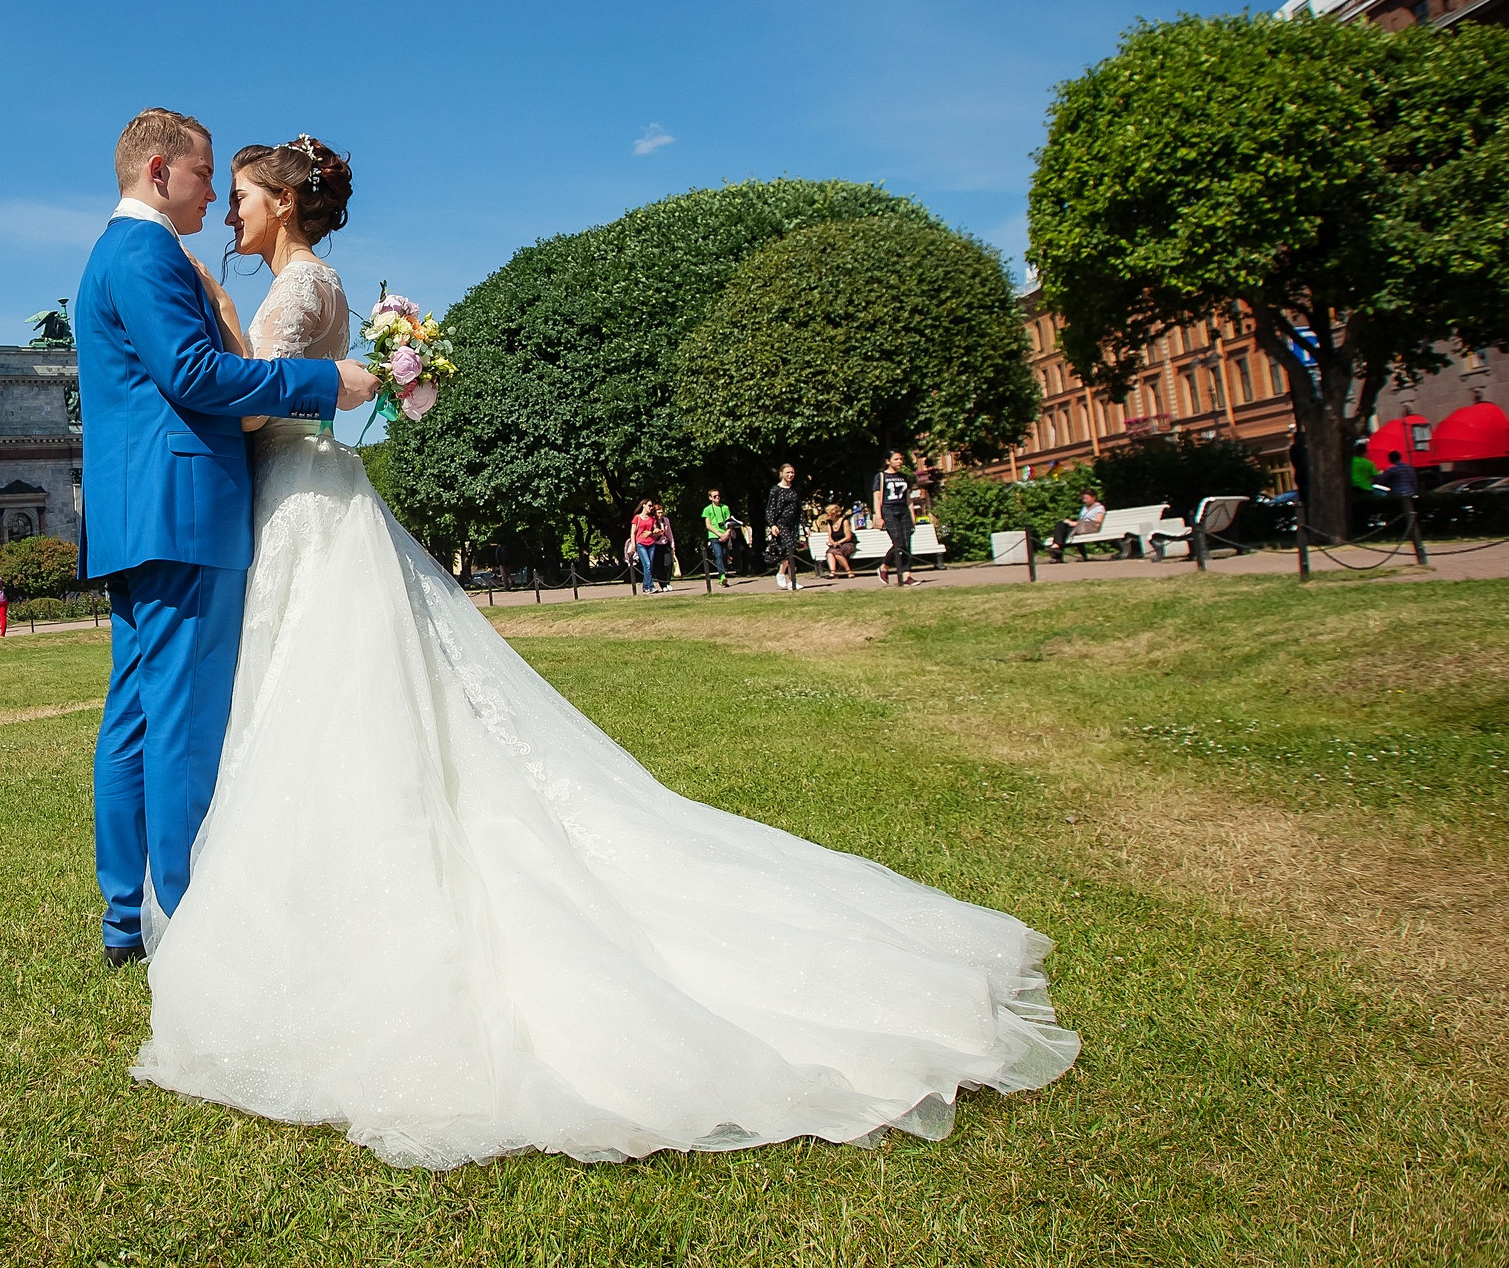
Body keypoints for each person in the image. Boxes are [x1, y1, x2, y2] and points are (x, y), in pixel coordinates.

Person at [131, 143, 1077, 1169]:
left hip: (303, 496)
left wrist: (266, 353)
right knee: (324, 696)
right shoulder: (293, 282)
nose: (227, 215)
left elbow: (262, 400)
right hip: (303, 496)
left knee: (326, 691)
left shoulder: (301, 282)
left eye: (240, 199)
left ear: (280, 204)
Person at [76, 109, 375, 971]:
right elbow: (198, 377)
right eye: (206, 175)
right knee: (181, 720)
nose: (214, 190)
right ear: (161, 171)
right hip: (184, 509)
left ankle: (126, 913)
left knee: (132, 715)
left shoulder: (119, 253)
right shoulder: (146, 252)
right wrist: (329, 380)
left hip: (140, 514)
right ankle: (186, 912)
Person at [873, 452, 919, 586]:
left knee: (907, 542)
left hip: (903, 510)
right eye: (896, 459)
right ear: (888, 461)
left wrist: (912, 515)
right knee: (898, 542)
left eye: (901, 459)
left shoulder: (904, 477)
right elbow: (877, 497)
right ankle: (884, 566)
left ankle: (907, 575)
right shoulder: (881, 477)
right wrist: (879, 516)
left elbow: (908, 498)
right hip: (889, 510)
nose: (899, 461)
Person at [765, 463, 806, 592]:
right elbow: (770, 509)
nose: (790, 475)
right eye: (787, 472)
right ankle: (782, 574)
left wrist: (805, 525)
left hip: (793, 525)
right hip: (780, 524)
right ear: (781, 474)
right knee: (789, 549)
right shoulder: (775, 490)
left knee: (792, 551)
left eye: (792, 472)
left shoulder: (795, 489)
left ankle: (791, 580)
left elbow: (799, 509)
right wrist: (772, 525)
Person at [1047, 488, 1105, 562]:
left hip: (1089, 527)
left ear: (1094, 497)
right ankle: (1057, 547)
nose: (1084, 500)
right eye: (1083, 498)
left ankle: (1057, 553)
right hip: (1079, 527)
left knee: (1063, 531)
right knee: (1061, 525)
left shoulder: (1099, 508)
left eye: (1086, 498)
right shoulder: (1084, 508)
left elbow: (1098, 522)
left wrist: (1075, 523)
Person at [625, 500, 663, 594]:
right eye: (649, 506)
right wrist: (634, 545)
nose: (651, 508)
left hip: (651, 543)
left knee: (649, 565)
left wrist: (651, 532)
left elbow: (656, 530)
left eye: (652, 506)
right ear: (644, 505)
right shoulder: (637, 518)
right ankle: (651, 586)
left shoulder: (652, 519)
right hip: (641, 544)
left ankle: (646, 587)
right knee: (647, 564)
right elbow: (633, 532)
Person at [700, 488, 736, 582]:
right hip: (714, 536)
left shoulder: (725, 508)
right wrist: (719, 534)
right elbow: (708, 525)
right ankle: (722, 576)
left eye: (718, 495)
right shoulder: (707, 509)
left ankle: (722, 573)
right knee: (718, 555)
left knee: (724, 555)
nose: (717, 497)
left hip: (725, 535)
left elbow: (730, 523)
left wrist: (727, 533)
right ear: (710, 498)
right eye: (714, 496)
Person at [820, 503, 858, 578]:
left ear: (833, 513)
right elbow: (830, 536)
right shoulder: (830, 523)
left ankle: (849, 571)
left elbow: (848, 537)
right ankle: (832, 573)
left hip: (847, 544)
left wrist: (838, 543)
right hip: (836, 545)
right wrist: (832, 543)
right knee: (829, 553)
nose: (826, 516)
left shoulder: (844, 521)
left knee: (837, 553)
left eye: (828, 514)